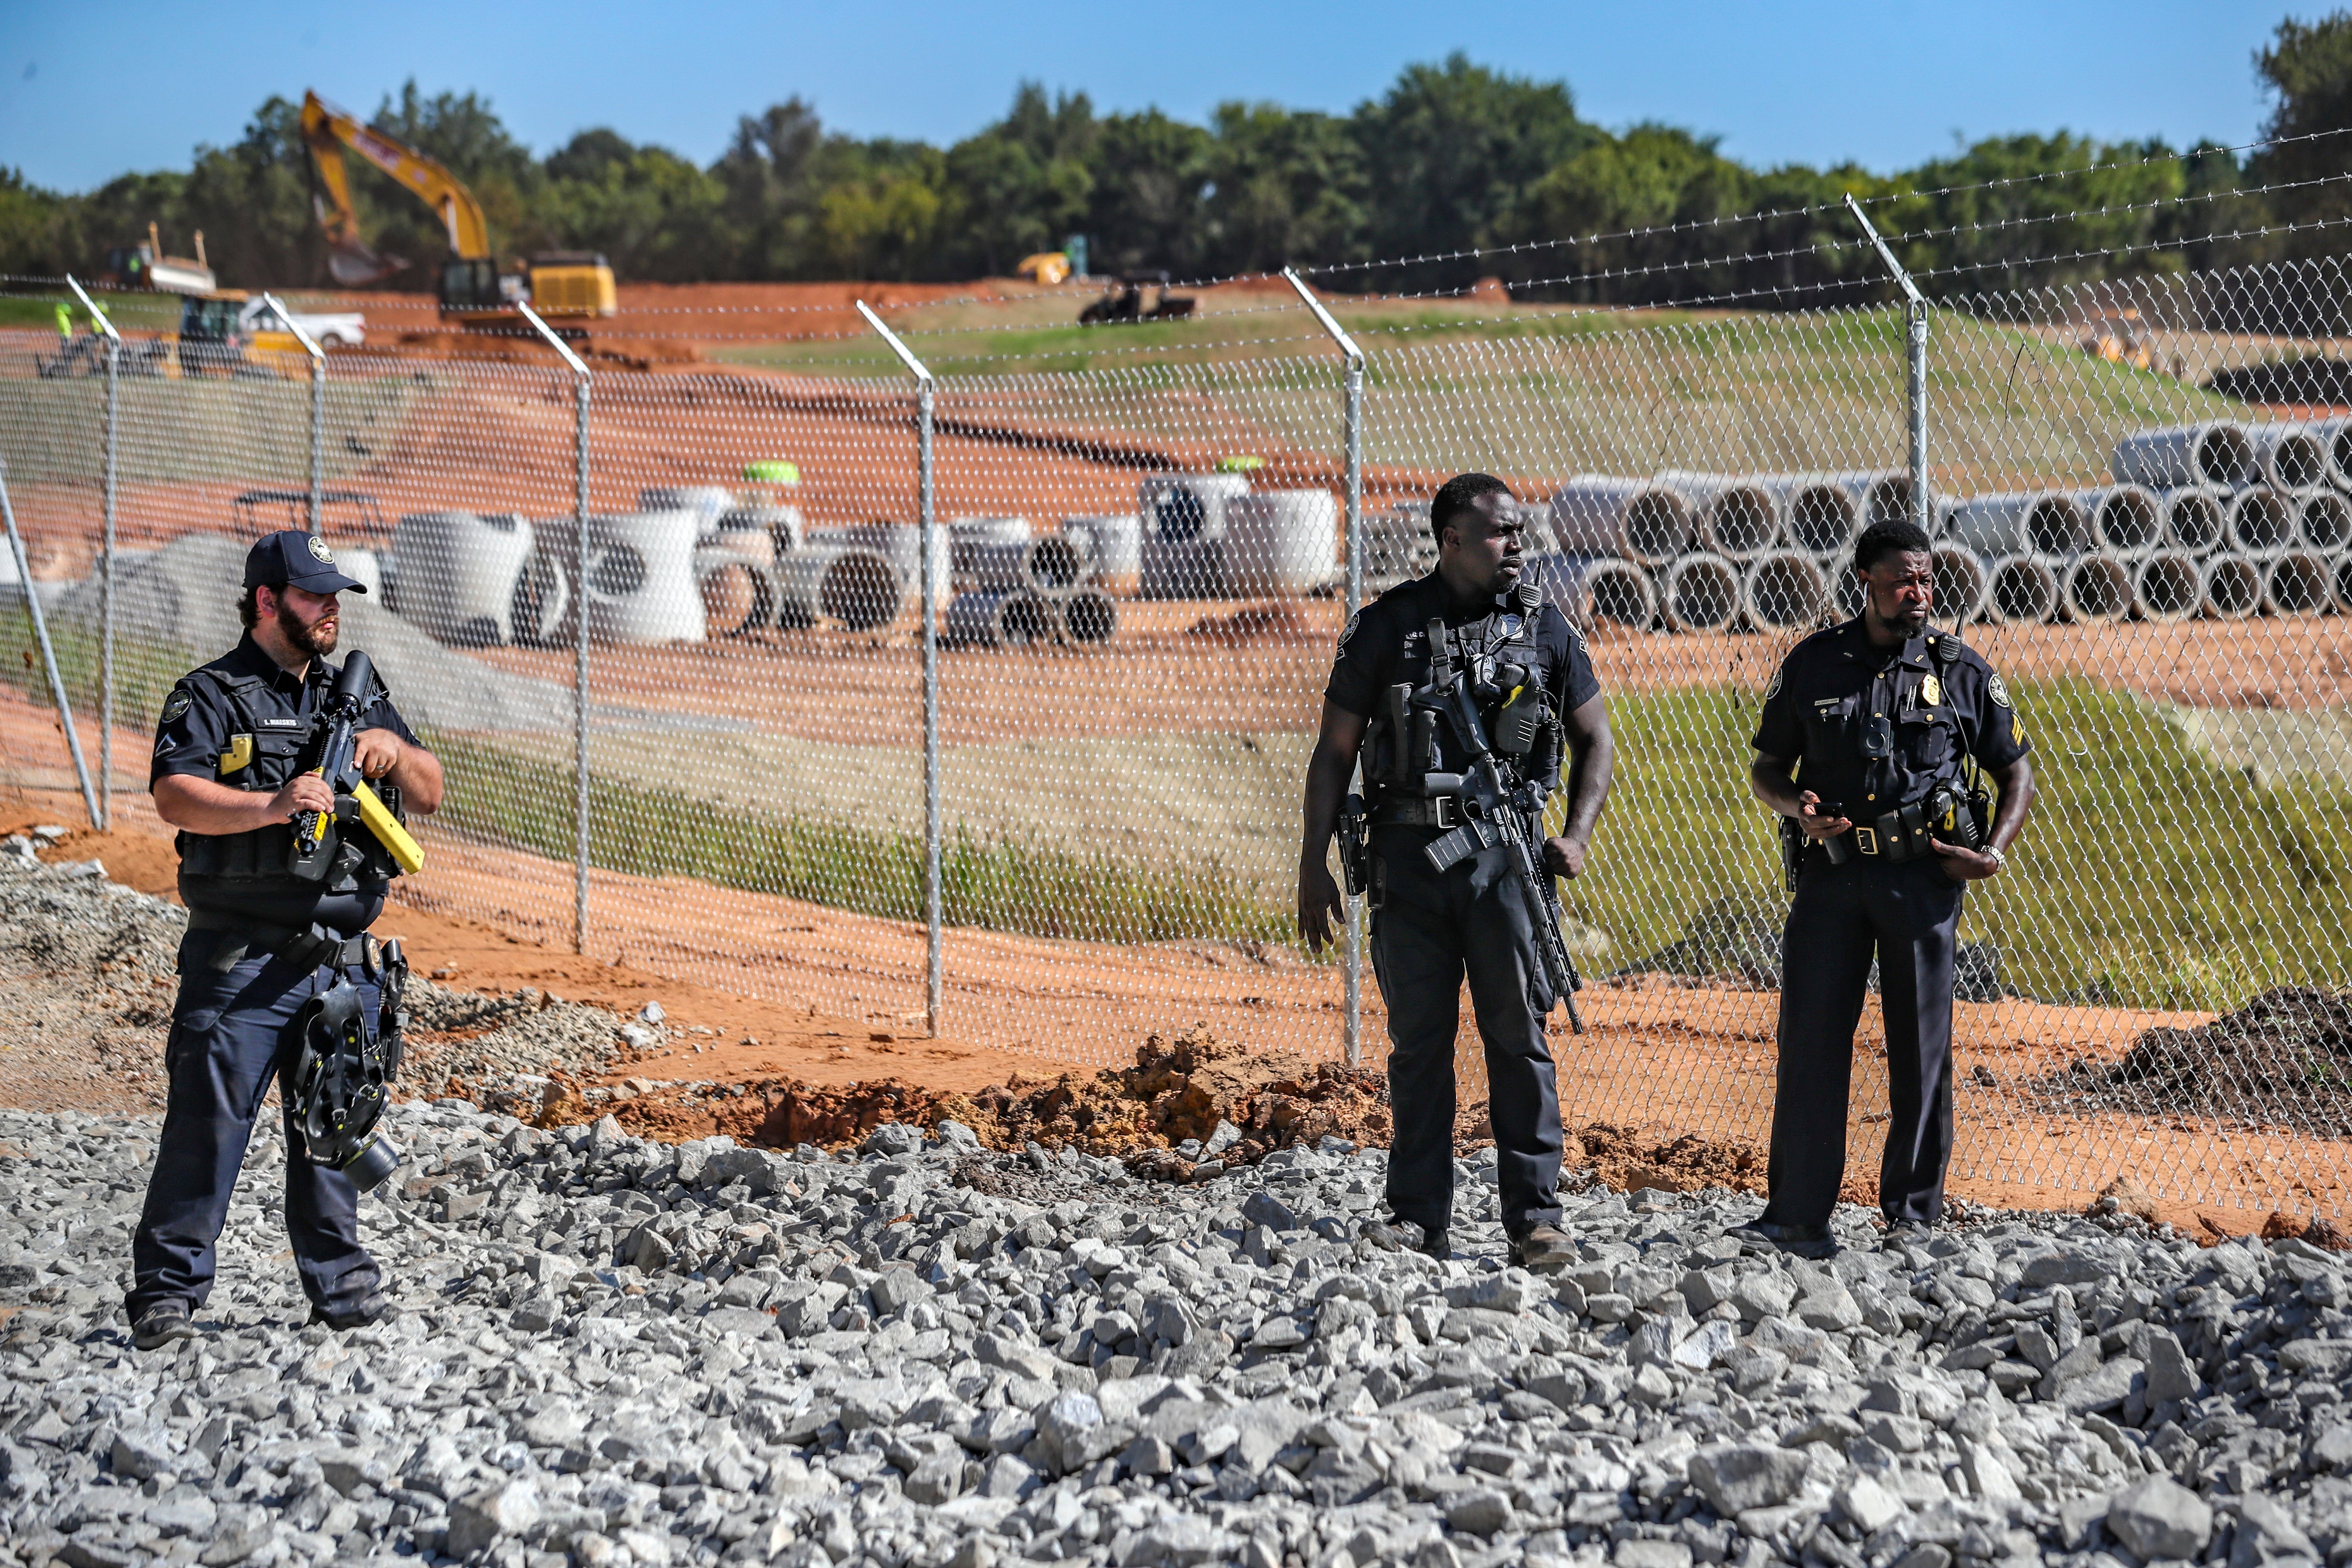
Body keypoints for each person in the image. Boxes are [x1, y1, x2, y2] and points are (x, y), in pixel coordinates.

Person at [126, 530, 444, 1350]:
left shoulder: (353, 694)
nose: (329, 608)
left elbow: (432, 789)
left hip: (340, 964)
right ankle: (168, 1292)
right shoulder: (212, 693)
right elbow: (175, 797)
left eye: (335, 595)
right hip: (243, 962)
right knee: (207, 1128)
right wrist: (271, 806)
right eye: (312, 595)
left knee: (335, 1124)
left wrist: (393, 751)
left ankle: (341, 1289)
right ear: (268, 601)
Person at [1298, 473, 1613, 1271]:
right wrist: (1312, 861)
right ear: (1452, 542)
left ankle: (1536, 1221)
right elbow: (1334, 752)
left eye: (1519, 531)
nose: (1517, 545)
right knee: (1419, 1045)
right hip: (1408, 863)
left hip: (1506, 861)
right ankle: (1416, 1219)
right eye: (1502, 533)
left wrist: (1574, 837)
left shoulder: (1544, 625)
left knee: (1518, 1039)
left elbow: (1595, 741)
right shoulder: (1387, 627)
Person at [1740, 517, 2035, 1257]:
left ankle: (1912, 1217)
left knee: (1921, 1048)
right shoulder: (1814, 664)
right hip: (1833, 882)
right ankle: (1796, 1215)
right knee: (1810, 1043)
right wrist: (1793, 806)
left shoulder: (1960, 669)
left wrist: (1991, 853)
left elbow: (2017, 771)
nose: (1919, 591)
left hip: (1922, 881)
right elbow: (1767, 766)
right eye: (1903, 578)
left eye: (1927, 578)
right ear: (1865, 583)